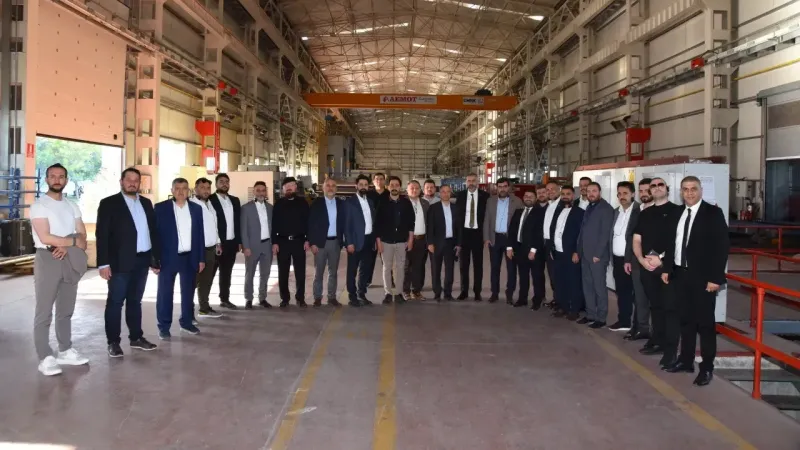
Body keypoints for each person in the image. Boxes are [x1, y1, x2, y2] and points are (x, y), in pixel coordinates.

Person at [661, 176, 729, 386]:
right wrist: (667, 268)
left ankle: (707, 368)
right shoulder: (678, 213)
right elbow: (672, 243)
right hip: (680, 275)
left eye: (693, 189)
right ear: (680, 192)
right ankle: (686, 361)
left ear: (700, 191)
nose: (689, 193)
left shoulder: (713, 213)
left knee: (705, 324)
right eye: (685, 189)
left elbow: (721, 247)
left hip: (703, 278)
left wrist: (716, 278)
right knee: (686, 320)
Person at [30, 163, 90, 376]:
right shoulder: (39, 205)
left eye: (61, 176)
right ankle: (45, 356)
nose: (57, 179)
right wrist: (72, 242)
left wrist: (67, 245)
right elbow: (46, 237)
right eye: (53, 176)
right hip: (48, 258)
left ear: (66, 180)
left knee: (66, 309)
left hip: (69, 257)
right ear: (46, 179)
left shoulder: (72, 205)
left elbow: (83, 235)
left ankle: (65, 350)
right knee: (44, 311)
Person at [96, 167, 159, 358]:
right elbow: (102, 235)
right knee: (115, 302)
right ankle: (113, 342)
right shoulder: (109, 203)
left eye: (136, 180)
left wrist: (155, 259)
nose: (132, 183)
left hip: (142, 260)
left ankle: (136, 337)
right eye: (128, 179)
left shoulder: (146, 203)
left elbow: (152, 232)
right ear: (121, 182)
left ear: (140, 183)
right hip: (119, 263)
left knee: (135, 301)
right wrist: (103, 263)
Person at [632, 177, 683, 368]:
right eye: (653, 186)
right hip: (647, 267)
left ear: (667, 189)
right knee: (655, 306)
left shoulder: (678, 211)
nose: (656, 188)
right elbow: (636, 239)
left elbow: (681, 241)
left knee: (670, 309)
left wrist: (661, 259)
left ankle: (670, 350)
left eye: (660, 185)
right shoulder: (645, 213)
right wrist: (641, 260)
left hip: (668, 268)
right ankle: (658, 341)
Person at [153, 178, 205, 339]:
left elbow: (200, 235)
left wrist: (201, 258)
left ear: (189, 191)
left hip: (189, 258)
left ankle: (187, 322)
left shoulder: (196, 209)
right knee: (165, 293)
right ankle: (164, 326)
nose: (181, 191)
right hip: (167, 258)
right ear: (172, 190)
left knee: (188, 293)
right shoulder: (161, 208)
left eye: (184, 188)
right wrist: (154, 260)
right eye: (177, 188)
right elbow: (154, 235)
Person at [577, 182, 615, 328]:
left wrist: (598, 254)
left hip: (597, 256)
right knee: (587, 286)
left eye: (594, 191)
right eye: (588, 191)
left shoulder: (606, 209)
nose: (591, 194)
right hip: (585, 254)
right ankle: (590, 314)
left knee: (599, 287)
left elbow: (605, 234)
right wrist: (579, 250)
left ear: (600, 192)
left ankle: (601, 317)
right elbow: (583, 231)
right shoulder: (589, 207)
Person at [484, 177, 524, 303]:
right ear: (497, 188)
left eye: (505, 186)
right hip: (494, 238)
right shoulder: (490, 201)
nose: (502, 189)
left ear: (509, 187)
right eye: (500, 187)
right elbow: (487, 220)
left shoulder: (517, 201)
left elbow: (520, 223)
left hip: (510, 239)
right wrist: (486, 238)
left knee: (511, 268)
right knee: (494, 268)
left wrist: (517, 240)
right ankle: (494, 293)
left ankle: (509, 293)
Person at [272, 177, 311, 307]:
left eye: (292, 185)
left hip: (299, 241)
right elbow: (274, 225)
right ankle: (285, 298)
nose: (289, 187)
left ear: (295, 187)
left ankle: (300, 298)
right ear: (283, 188)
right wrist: (274, 242)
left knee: (300, 272)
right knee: (283, 272)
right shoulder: (278, 204)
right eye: (286, 185)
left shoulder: (303, 203)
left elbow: (308, 223)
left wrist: (307, 240)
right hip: (282, 242)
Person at [376, 176, 414, 305]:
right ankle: (387, 293)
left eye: (396, 185)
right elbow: (377, 224)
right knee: (387, 268)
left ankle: (398, 293)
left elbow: (411, 223)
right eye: (391, 185)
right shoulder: (382, 203)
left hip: (401, 241)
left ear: (400, 187)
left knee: (400, 268)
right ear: (388, 187)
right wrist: (378, 242)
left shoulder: (406, 203)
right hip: (386, 241)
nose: (394, 187)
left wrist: (410, 239)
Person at [608, 181, 640, 332]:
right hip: (617, 259)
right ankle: (624, 321)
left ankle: (639, 325)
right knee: (621, 292)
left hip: (633, 259)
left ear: (633, 194)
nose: (622, 196)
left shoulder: (639, 211)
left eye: (625, 193)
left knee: (637, 294)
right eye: (619, 194)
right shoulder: (616, 212)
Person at [624, 178, 654, 341]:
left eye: (647, 190)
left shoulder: (659, 210)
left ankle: (651, 331)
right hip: (636, 261)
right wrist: (628, 259)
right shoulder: (637, 210)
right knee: (638, 297)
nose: (644, 194)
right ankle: (639, 328)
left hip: (653, 262)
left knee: (653, 299)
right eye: (641, 191)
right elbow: (630, 236)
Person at [550, 186, 585, 320]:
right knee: (560, 282)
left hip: (571, 253)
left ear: (573, 196)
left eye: (568, 194)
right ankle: (563, 307)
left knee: (573, 282)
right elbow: (554, 229)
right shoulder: (558, 211)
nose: (565, 196)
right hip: (558, 252)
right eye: (563, 194)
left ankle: (574, 310)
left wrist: (577, 251)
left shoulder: (580, 213)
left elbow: (581, 235)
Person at [309, 178, 345, 307]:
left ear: (336, 189)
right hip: (320, 243)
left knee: (333, 272)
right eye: (328, 185)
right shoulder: (316, 203)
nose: (330, 188)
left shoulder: (341, 204)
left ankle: (331, 297)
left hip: (335, 243)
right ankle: (317, 297)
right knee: (319, 272)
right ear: (323, 188)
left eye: (333, 186)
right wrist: (312, 242)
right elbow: (310, 224)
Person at [507, 190, 545, 309]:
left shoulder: (540, 212)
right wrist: (509, 247)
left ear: (536, 198)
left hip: (534, 250)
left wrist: (533, 250)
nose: (528, 198)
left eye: (531, 196)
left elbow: (540, 232)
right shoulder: (518, 211)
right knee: (523, 276)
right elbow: (512, 230)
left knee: (536, 277)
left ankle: (537, 301)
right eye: (526, 196)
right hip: (519, 249)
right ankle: (522, 299)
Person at [208, 173, 241, 310]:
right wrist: (216, 242)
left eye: (227, 181)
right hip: (216, 244)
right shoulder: (209, 200)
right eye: (221, 181)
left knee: (226, 273)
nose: (224, 184)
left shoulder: (235, 200)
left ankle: (224, 299)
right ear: (216, 184)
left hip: (231, 244)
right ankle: (204, 302)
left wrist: (239, 241)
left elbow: (238, 222)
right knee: (209, 274)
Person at [455, 173, 489, 301]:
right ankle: (464, 291)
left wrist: (486, 236)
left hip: (478, 234)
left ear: (478, 182)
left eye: (473, 181)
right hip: (464, 234)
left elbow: (487, 216)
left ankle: (477, 292)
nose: (471, 183)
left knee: (478, 265)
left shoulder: (485, 196)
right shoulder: (460, 195)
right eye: (469, 181)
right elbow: (457, 216)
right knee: (464, 265)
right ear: (466, 182)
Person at [344, 175, 377, 306]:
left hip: (368, 240)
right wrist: (349, 243)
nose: (363, 187)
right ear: (356, 186)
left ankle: (361, 293)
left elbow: (372, 222)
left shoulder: (370, 202)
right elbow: (347, 225)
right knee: (352, 270)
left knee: (365, 269)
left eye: (366, 185)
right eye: (361, 184)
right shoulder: (350, 203)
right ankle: (352, 296)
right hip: (355, 241)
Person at [240, 181, 274, 309]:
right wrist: (246, 247)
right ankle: (248, 298)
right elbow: (243, 230)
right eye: (258, 190)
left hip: (267, 245)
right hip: (252, 246)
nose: (261, 193)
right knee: (250, 273)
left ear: (266, 192)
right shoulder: (246, 208)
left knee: (265, 274)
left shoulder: (270, 208)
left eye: (263, 190)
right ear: (254, 192)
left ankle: (262, 298)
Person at [426, 185, 459, 301]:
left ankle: (448, 293)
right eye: (443, 192)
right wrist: (430, 243)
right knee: (436, 269)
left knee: (450, 269)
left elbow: (459, 228)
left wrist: (458, 244)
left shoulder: (455, 208)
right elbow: (429, 227)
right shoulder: (433, 208)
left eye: (448, 192)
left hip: (451, 243)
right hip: (436, 243)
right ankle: (437, 292)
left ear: (451, 193)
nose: (445, 194)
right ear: (439, 194)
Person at [403, 180, 430, 300]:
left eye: (416, 188)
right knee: (406, 266)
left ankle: (417, 291)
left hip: (421, 239)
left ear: (420, 190)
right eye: (412, 188)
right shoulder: (403, 203)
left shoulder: (425, 203)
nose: (414, 190)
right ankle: (406, 291)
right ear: (407, 190)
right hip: (406, 240)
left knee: (419, 266)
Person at [366, 172, 390, 287]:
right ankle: (367, 280)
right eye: (377, 179)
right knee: (369, 258)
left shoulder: (389, 195)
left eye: (381, 179)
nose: (379, 181)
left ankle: (390, 280)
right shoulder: (368, 195)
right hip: (371, 230)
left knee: (387, 259)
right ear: (373, 181)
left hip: (386, 231)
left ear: (385, 181)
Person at [541, 182, 561, 308]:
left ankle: (561, 302)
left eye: (553, 189)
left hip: (556, 244)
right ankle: (556, 299)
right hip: (546, 243)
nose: (550, 191)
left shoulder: (562, 205)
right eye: (547, 190)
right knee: (551, 274)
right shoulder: (548, 205)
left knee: (558, 274)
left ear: (559, 189)